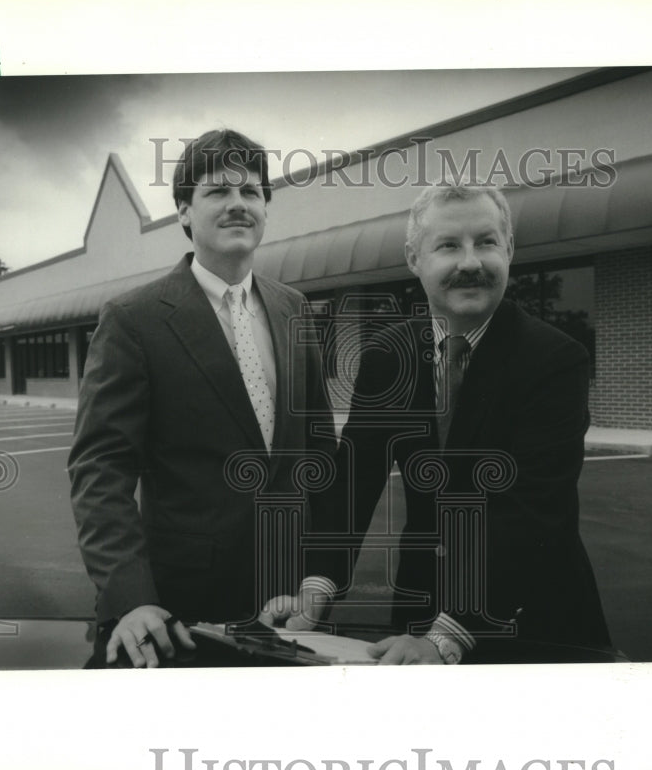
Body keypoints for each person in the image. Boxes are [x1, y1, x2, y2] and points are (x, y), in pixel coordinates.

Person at [263, 183, 612, 664]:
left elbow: (534, 512)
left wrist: (447, 634)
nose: (470, 262)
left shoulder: (555, 360)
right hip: (417, 606)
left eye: (486, 242)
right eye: (448, 245)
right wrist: (316, 586)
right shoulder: (388, 355)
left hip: (531, 620)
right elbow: (353, 481)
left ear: (509, 249)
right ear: (414, 258)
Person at [68, 129, 336, 668]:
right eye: (218, 192)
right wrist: (132, 599)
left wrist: (319, 577)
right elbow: (101, 469)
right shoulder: (133, 319)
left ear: (265, 208)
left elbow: (320, 455)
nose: (238, 204)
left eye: (252, 192)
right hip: (176, 617)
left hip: (288, 611)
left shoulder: (295, 310)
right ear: (184, 213)